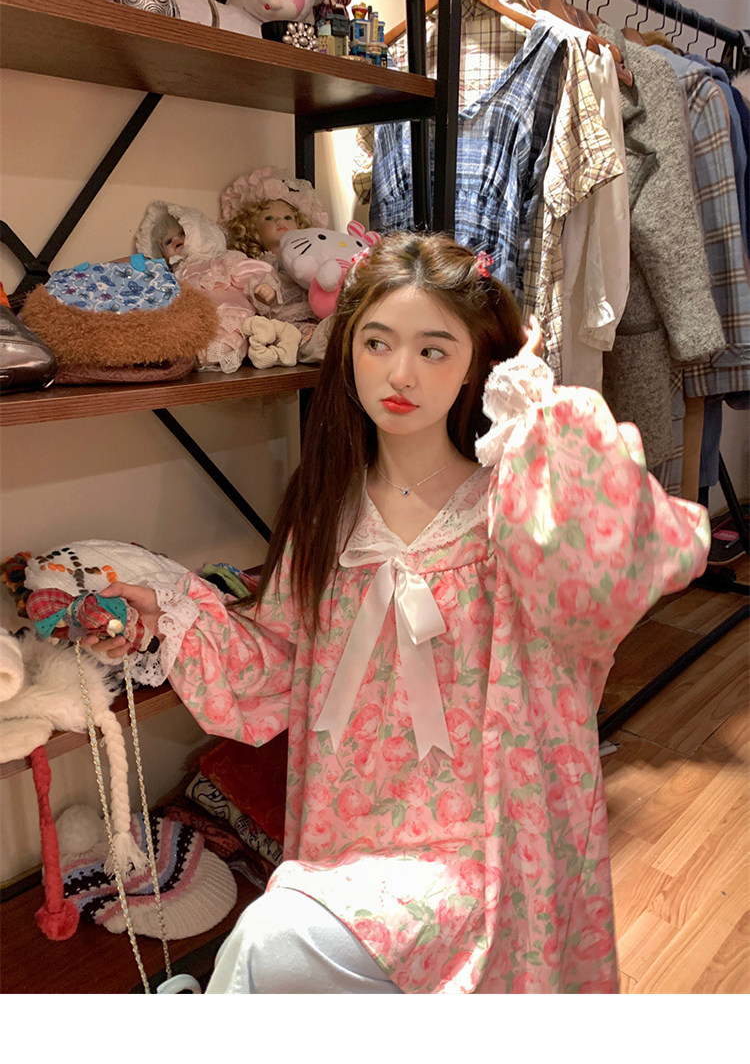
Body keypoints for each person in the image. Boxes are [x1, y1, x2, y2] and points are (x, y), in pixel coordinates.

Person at [87, 231, 710, 994]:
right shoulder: (326, 515)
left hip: (493, 848)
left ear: (477, 363)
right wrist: (171, 619)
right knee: (273, 947)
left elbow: (613, 573)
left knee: (264, 948)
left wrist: (549, 425)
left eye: (433, 350)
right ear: (348, 351)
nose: (401, 373)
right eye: (377, 343)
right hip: (343, 842)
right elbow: (275, 669)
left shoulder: (517, 511)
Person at [136, 202, 282, 372]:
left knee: (225, 341)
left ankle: (204, 356)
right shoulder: (171, 278)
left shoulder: (218, 261)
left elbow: (247, 271)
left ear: (200, 233)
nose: (176, 240)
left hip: (224, 314)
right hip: (190, 324)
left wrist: (263, 285)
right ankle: (183, 356)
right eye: (168, 241)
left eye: (183, 234)